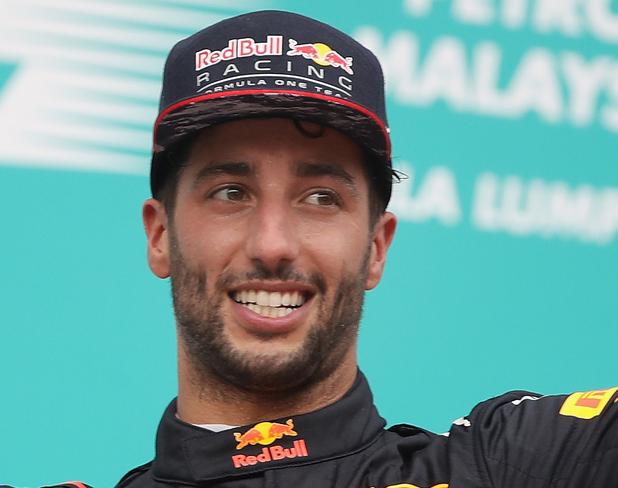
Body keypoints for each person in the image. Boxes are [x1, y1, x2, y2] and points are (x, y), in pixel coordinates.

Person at [114, 10, 618, 488]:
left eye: (321, 198)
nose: (272, 245)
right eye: (230, 192)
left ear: (377, 247)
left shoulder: (514, 464)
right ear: (160, 235)